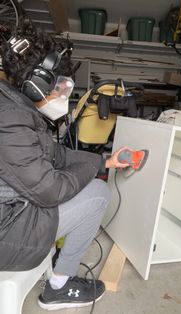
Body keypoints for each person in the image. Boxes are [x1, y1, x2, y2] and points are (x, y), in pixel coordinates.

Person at [0, 19, 130, 310]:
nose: (61, 94)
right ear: (37, 83)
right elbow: (49, 190)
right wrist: (97, 174)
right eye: (57, 84)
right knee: (98, 194)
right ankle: (58, 286)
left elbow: (55, 154)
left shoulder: (13, 107)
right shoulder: (8, 118)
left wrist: (103, 160)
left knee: (85, 180)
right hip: (4, 231)